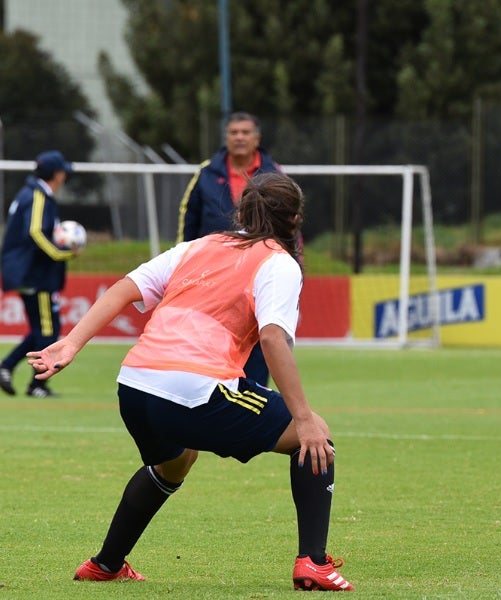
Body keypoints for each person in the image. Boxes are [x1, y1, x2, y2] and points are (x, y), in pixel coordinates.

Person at [28, 172, 353, 591]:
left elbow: (123, 289)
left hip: (135, 386)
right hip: (195, 389)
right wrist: (304, 417)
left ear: (241, 212)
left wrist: (71, 343)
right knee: (316, 437)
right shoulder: (279, 262)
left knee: (175, 462)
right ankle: (314, 563)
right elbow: (273, 337)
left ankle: (105, 564)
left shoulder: (198, 247)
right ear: (294, 220)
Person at [176, 111, 281, 387]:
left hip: (258, 272)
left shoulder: (274, 174)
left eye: (246, 132)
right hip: (212, 274)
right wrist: (181, 267)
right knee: (207, 338)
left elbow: (289, 224)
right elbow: (188, 219)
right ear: (226, 137)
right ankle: (207, 398)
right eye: (234, 132)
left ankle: (256, 398)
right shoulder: (206, 173)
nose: (239, 137)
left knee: (258, 339)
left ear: (257, 138)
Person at [0, 150, 80, 398]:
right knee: (47, 330)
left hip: (29, 272)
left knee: (41, 329)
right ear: (57, 174)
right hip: (36, 274)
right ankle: (37, 384)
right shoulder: (37, 195)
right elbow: (35, 231)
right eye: (63, 172)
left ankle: (6, 367)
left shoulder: (31, 193)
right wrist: (60, 253)